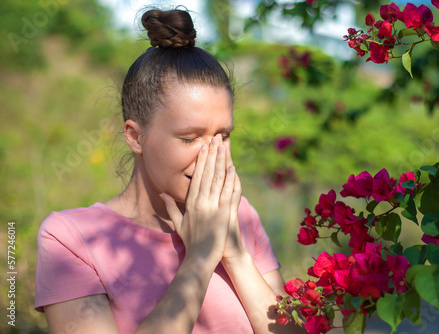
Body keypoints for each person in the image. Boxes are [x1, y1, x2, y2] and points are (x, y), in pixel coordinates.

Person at [34, 7, 304, 334]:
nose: (212, 156)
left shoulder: (239, 216)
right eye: (189, 138)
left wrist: (235, 255)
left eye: (223, 136)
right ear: (135, 137)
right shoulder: (71, 238)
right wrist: (201, 257)